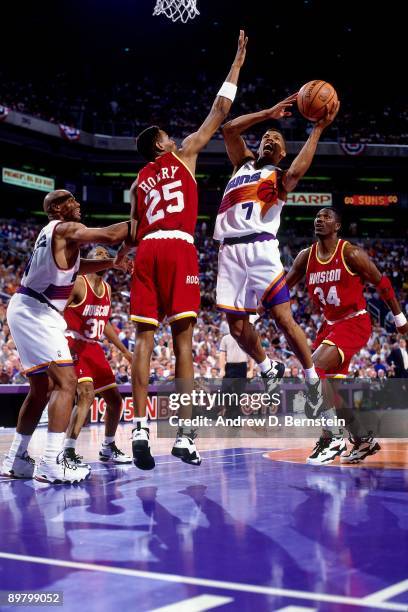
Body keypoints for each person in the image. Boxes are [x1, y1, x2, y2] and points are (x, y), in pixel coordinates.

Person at [115, 31, 248, 471]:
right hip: (177, 247)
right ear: (160, 144)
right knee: (184, 343)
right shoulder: (186, 153)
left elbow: (132, 234)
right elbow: (220, 111)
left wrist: (113, 252)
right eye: (168, 135)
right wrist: (236, 63)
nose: (175, 136)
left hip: (147, 252)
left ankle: (138, 426)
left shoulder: (137, 184)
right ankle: (186, 435)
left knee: (143, 340)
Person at [215, 96, 340, 413]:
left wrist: (317, 130)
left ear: (282, 153)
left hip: (261, 248)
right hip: (229, 251)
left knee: (284, 319)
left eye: (277, 139)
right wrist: (268, 113)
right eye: (266, 138)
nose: (270, 139)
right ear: (258, 148)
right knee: (238, 329)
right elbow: (229, 128)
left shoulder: (280, 177)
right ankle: (269, 368)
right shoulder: (241, 164)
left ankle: (312, 379)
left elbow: (298, 170)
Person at [1, 190, 131, 483]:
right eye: (71, 201)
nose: (78, 204)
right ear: (58, 208)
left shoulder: (54, 236)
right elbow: (111, 235)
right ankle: (51, 462)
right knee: (67, 382)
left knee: (42, 389)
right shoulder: (65, 227)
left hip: (27, 307)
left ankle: (16, 459)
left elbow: (76, 268)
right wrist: (144, 220)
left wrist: (111, 264)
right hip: (38, 310)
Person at [286, 207, 408, 464]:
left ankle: (332, 437)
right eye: (317, 217)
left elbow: (381, 282)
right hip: (329, 325)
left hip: (355, 322)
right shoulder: (305, 257)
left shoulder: (350, 253)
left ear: (338, 226)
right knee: (333, 391)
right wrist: (254, 311)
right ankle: (363, 440)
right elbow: (282, 289)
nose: (320, 220)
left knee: (313, 368)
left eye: (327, 216)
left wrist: (399, 318)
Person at [63, 246, 133, 466]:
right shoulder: (78, 282)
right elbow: (55, 310)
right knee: (86, 394)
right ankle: (67, 450)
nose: (104, 257)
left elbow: (106, 322)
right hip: (73, 343)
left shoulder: (107, 288)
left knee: (115, 401)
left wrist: (124, 350)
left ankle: (108, 446)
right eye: (99, 254)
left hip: (94, 348)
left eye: (106, 255)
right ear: (88, 260)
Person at [218, 333, 254, 419]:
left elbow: (251, 355)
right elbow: (222, 354)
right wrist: (222, 369)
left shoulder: (246, 337)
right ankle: (229, 411)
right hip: (229, 366)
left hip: (242, 367)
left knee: (239, 393)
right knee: (225, 390)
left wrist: (251, 370)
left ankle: (235, 416)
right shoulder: (225, 338)